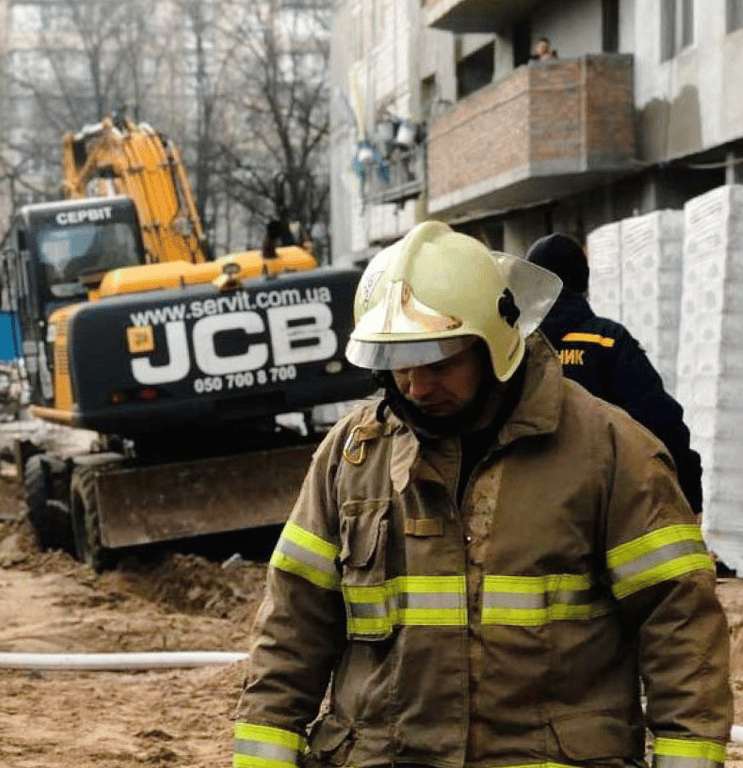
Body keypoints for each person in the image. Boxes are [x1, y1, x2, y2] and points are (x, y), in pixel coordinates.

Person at [233, 220, 731, 768]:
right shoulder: (350, 458)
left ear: (495, 343)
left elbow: (680, 628)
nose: (417, 388)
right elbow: (292, 627)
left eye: (441, 363)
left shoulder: (611, 454)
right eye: (399, 364)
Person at [526, 232, 703, 513]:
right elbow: (659, 420)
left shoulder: (513, 347)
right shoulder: (607, 341)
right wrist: (691, 494)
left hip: (527, 504)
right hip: (602, 503)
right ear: (583, 281)